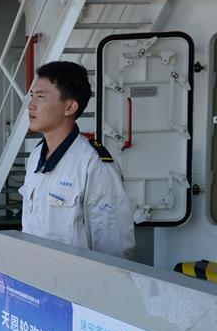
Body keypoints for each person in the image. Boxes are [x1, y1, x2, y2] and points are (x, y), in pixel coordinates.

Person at [19, 61, 135, 258]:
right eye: (32, 96)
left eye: (41, 97)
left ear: (69, 107)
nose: (31, 105)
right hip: (36, 277)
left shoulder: (93, 163)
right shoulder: (35, 157)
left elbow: (113, 247)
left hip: (74, 283)